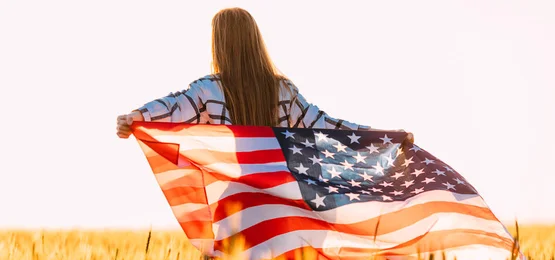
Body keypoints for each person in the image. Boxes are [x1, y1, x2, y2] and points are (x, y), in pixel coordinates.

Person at [116, 7, 413, 143]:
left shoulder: (208, 90)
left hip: (232, 200)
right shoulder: (283, 90)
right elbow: (326, 125)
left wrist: (136, 117)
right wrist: (384, 137)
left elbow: (174, 107)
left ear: (219, 45)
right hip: (278, 201)